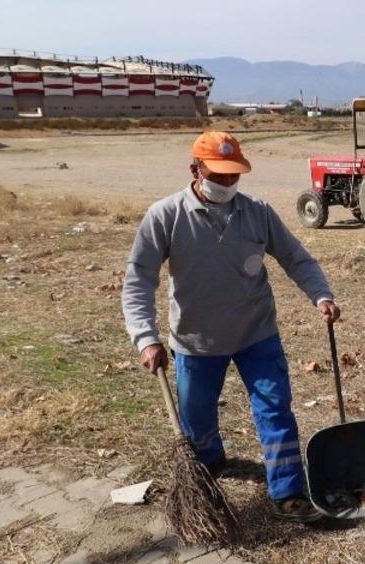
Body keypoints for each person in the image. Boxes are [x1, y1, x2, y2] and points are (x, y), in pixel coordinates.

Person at [121, 131, 340, 523]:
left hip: (257, 334)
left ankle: (287, 492)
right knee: (197, 418)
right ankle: (207, 463)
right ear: (195, 169)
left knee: (275, 411)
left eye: (232, 176)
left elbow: (297, 259)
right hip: (196, 342)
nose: (226, 184)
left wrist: (321, 295)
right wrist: (145, 337)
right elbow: (139, 279)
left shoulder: (257, 212)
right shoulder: (165, 216)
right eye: (217, 175)